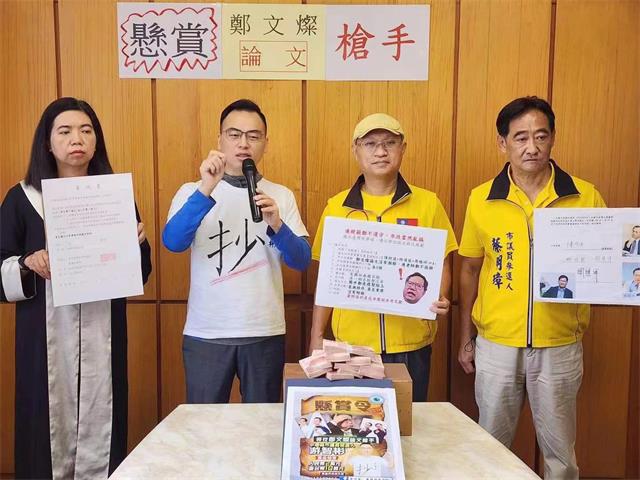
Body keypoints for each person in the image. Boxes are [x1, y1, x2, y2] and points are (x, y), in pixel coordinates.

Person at [0, 97, 152, 479]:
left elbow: (141, 272)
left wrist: (136, 244)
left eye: (86, 130)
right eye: (64, 131)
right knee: (45, 424)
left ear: (96, 141)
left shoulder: (113, 197)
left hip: (104, 332)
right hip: (45, 340)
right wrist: (27, 263)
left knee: (104, 415)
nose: (76, 139)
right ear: (47, 142)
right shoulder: (23, 198)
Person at [457, 96, 606, 479]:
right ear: (502, 143)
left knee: (561, 455)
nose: (532, 147)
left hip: (559, 343)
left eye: (541, 136)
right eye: (520, 137)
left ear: (553, 138)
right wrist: (466, 337)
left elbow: (606, 262)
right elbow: (470, 269)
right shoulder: (482, 198)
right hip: (497, 344)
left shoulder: (584, 196)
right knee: (490, 447)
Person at [162, 99, 310, 404]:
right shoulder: (192, 191)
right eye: (234, 135)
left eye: (253, 136)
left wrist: (277, 225)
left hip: (264, 331)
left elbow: (301, 260)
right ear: (219, 140)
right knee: (203, 423)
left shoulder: (280, 195)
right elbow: (173, 242)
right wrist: (206, 188)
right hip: (207, 332)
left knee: (262, 423)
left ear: (265, 143)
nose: (244, 144)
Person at [309, 113, 458, 401]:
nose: (380, 151)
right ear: (356, 150)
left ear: (403, 148)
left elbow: (442, 263)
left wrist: (440, 295)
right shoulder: (337, 207)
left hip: (410, 342)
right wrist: (317, 336)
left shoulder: (428, 203)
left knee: (407, 419)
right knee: (360, 420)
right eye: (370, 144)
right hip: (352, 344)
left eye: (389, 143)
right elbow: (327, 278)